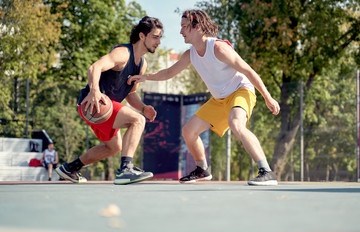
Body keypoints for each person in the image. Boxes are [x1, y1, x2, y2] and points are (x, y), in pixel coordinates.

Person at [128, 10, 280, 186]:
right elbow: (169, 72)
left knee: (236, 123)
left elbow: (248, 71)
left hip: (240, 90)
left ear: (197, 26)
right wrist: (145, 77)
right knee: (189, 131)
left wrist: (268, 97)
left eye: (184, 27)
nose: (181, 31)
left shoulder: (218, 48)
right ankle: (202, 169)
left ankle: (266, 171)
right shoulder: (190, 54)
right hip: (219, 99)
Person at [56, 16, 163, 184]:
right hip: (92, 102)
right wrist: (94, 91)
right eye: (155, 37)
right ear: (142, 36)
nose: (159, 42)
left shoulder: (142, 65)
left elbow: (131, 93)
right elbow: (95, 67)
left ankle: (70, 168)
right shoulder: (123, 53)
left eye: (160, 37)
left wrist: (143, 108)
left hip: (105, 108)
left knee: (114, 147)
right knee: (137, 121)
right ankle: (125, 170)